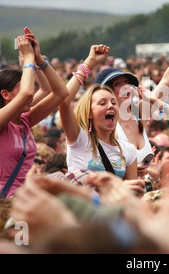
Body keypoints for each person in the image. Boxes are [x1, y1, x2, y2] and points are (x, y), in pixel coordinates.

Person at [94, 22, 169, 173]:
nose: (125, 87)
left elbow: (167, 80)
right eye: (118, 84)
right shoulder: (103, 127)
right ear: (105, 92)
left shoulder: (138, 115)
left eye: (127, 82)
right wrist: (129, 171)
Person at [0, 28, 69, 198]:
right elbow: (27, 93)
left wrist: (39, 60)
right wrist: (27, 58)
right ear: (5, 95)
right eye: (20, 88)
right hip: (9, 203)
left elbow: (60, 93)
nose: (29, 92)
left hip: (31, 199)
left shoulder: (24, 120)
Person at [58, 44, 143, 195]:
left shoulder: (128, 150)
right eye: (102, 103)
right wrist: (90, 62)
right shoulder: (79, 138)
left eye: (113, 102)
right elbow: (64, 101)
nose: (110, 106)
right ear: (89, 112)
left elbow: (133, 195)